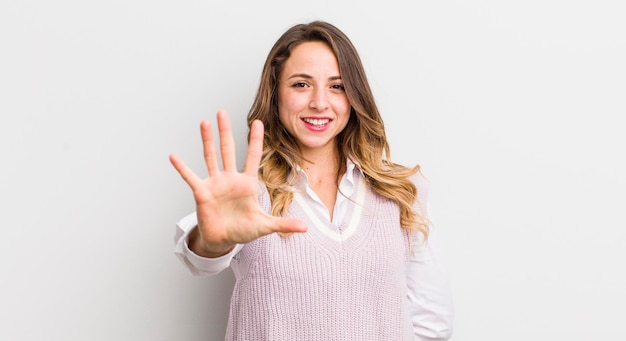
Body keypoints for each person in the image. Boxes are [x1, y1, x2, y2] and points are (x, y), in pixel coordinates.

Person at [169, 20, 453, 341]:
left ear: (354, 97)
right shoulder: (249, 193)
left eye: (337, 86)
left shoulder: (400, 193)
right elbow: (200, 259)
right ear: (275, 94)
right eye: (301, 84)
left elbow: (432, 323)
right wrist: (214, 241)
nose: (319, 102)